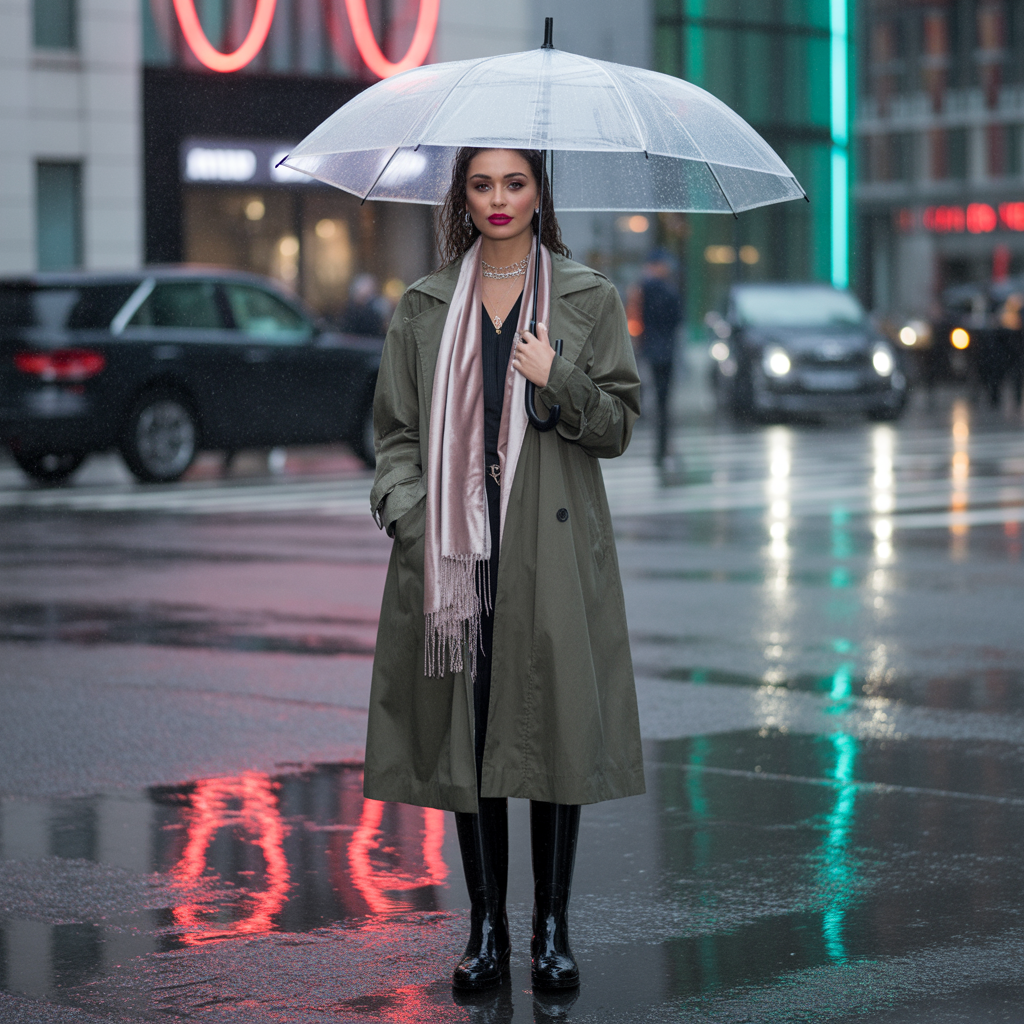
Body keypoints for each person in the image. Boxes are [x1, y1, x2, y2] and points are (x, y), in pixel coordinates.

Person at [365, 148, 645, 993]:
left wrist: (555, 373)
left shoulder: (587, 299)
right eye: (482, 184)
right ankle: (485, 926)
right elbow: (397, 436)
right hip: (455, 553)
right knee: (471, 731)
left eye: (515, 183)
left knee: (551, 730)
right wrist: (411, 518)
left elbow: (619, 424)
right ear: (463, 195)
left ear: (538, 192)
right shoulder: (425, 305)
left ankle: (550, 929)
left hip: (549, 548)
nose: (498, 200)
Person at [635, 250, 682, 468]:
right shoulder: (670, 290)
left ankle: (661, 447)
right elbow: (677, 320)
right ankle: (663, 447)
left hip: (650, 349)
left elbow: (638, 320)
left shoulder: (642, 290)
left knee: (653, 395)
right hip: (667, 351)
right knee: (664, 402)